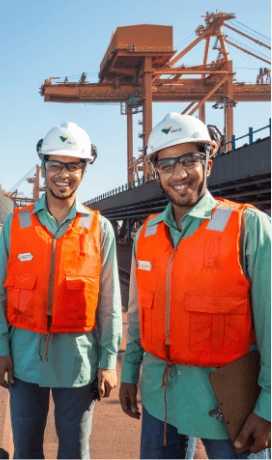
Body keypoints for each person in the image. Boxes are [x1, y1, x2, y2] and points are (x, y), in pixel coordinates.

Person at [119, 113, 271, 460]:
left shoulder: (247, 227)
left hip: (229, 403)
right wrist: (129, 374)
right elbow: (139, 311)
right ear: (156, 172)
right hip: (162, 398)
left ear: (209, 163)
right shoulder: (147, 234)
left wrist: (269, 407)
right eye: (167, 164)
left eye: (189, 161)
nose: (179, 174)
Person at [0, 122, 122, 460]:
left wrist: (108, 361)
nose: (63, 174)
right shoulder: (16, 223)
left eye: (73, 165)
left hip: (78, 361)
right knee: (26, 449)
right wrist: (1, 347)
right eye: (55, 164)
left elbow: (110, 303)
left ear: (84, 170)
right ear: (43, 166)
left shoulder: (100, 228)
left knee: (74, 450)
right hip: (24, 357)